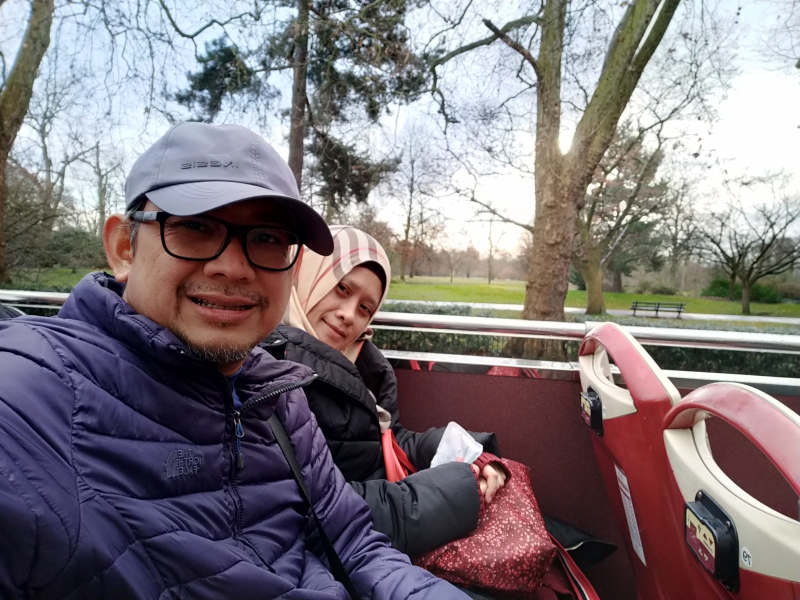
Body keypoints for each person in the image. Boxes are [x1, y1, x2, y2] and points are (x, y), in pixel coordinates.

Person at [0, 122, 470, 599]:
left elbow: (354, 542)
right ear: (124, 247)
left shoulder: (279, 394)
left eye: (267, 238)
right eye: (195, 226)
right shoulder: (30, 399)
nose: (233, 266)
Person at [261, 227, 509, 557]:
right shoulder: (269, 371)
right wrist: (460, 489)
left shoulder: (361, 362)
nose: (348, 315)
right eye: (342, 288)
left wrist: (470, 452)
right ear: (305, 276)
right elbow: (311, 509)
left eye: (365, 308)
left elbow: (387, 442)